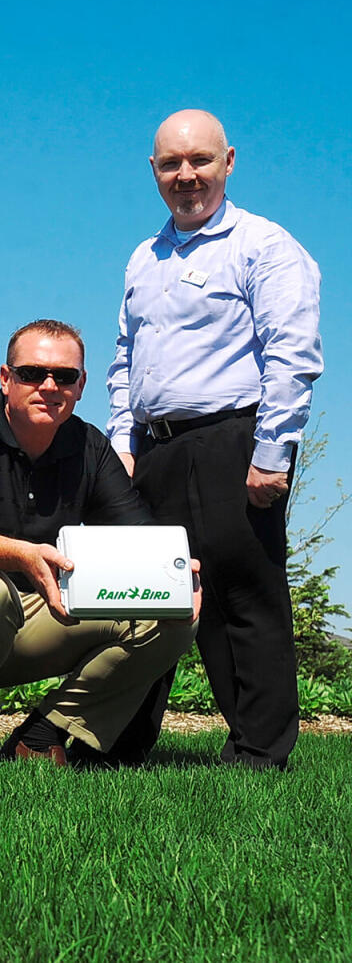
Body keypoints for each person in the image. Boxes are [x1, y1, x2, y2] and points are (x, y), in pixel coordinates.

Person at [107, 109, 322, 769]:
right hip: (155, 448)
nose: (186, 174)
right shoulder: (144, 258)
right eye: (171, 163)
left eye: (200, 160)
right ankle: (120, 743)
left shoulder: (266, 247)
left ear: (229, 161)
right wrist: (123, 439)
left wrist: (271, 451)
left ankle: (260, 753)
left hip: (234, 442)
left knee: (241, 599)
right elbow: (125, 355)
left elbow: (292, 353)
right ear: (153, 171)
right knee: (148, 598)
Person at [0, 320, 196, 764]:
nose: (49, 386)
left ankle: (43, 734)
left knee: (174, 612)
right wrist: (19, 554)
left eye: (64, 376)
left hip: (42, 616)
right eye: (31, 373)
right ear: (6, 379)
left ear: (81, 386)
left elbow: (137, 535)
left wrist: (176, 573)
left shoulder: (90, 448)